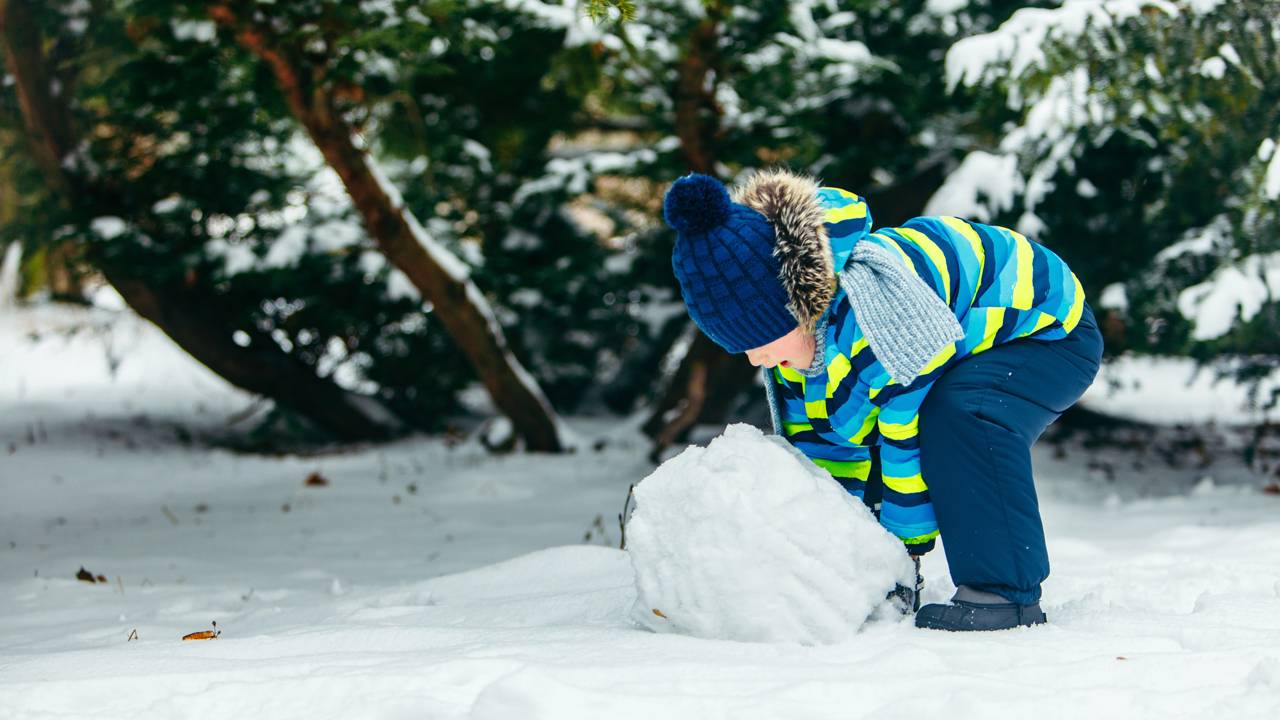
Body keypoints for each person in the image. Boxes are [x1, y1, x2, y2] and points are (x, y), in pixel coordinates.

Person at [662, 167, 1104, 631]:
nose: (756, 360)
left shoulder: (879, 310)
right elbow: (829, 453)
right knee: (879, 424)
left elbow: (902, 434)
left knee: (963, 413)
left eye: (761, 342)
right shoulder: (798, 352)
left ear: (797, 310)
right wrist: (855, 565)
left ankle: (1004, 594)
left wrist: (904, 552)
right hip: (963, 339)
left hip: (1048, 332)